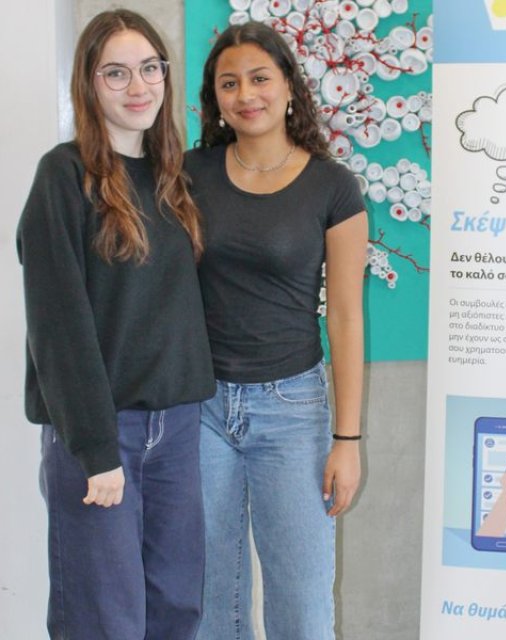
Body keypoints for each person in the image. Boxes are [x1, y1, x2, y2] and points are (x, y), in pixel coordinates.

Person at [17, 10, 215, 639]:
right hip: (102, 433)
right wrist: (97, 450)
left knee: (176, 609)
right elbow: (58, 326)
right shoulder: (63, 176)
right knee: (105, 619)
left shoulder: (174, 179)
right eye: (116, 73)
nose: (138, 86)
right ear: (88, 82)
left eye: (150, 68)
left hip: (176, 430)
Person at [185, 21, 368, 640]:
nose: (246, 94)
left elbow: (346, 316)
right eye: (229, 83)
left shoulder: (333, 187)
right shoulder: (187, 174)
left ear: (289, 85)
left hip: (291, 411)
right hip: (200, 408)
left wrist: (347, 440)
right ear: (215, 98)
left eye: (260, 78)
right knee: (210, 599)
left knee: (302, 605)